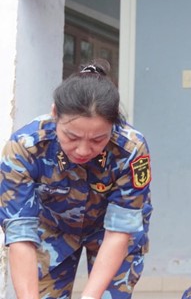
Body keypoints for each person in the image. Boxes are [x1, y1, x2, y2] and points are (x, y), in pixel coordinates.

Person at [0, 59, 153, 299]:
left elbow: (119, 232)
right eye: (71, 137)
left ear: (113, 124)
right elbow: (20, 234)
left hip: (110, 233)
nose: (83, 150)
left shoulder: (131, 149)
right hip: (51, 229)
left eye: (97, 140)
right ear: (54, 114)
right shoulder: (24, 148)